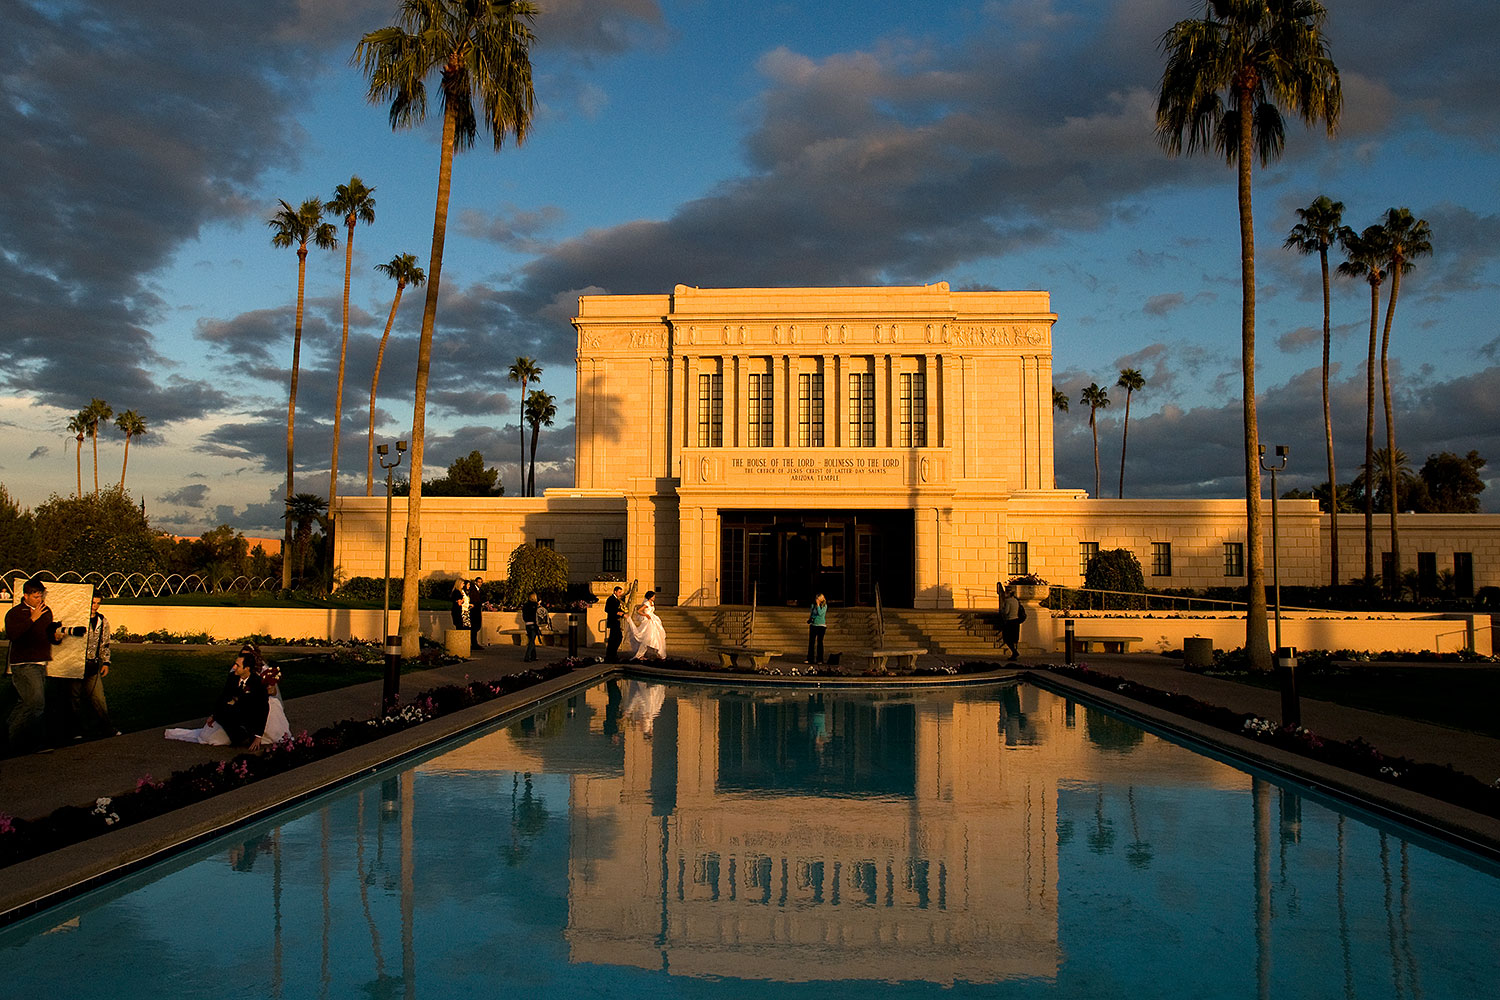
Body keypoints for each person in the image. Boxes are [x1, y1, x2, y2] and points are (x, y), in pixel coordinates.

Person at [165, 650, 270, 747]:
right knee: (221, 711)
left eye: (237, 665)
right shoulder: (233, 677)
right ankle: (238, 736)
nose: (233, 667)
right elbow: (224, 695)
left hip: (250, 716)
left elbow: (264, 709)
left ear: (247, 668)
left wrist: (258, 736)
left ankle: (245, 734)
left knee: (231, 712)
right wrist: (214, 715)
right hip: (235, 712)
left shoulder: (258, 683)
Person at [5, 579, 64, 752]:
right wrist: (32, 618)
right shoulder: (16, 613)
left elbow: (48, 635)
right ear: (26, 595)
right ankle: (32, 742)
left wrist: (56, 637)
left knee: (27, 702)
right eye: (35, 596)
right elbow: (13, 634)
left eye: (41, 596)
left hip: (40, 663)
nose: (39, 600)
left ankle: (10, 731)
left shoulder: (46, 611)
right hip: (24, 663)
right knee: (37, 703)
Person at [77, 591, 119, 739]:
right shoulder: (78, 618)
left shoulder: (102, 621)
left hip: (92, 665)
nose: (95, 606)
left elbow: (104, 643)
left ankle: (106, 727)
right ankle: (76, 730)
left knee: (98, 698)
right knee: (74, 698)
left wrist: (106, 661)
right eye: (92, 603)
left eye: (97, 603)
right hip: (76, 664)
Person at [244, 643, 290, 744]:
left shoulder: (264, 669)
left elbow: (273, 692)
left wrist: (268, 688)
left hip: (261, 698)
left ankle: (266, 734)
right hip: (245, 698)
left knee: (272, 704)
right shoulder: (238, 668)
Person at [623, 590, 667, 661]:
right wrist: (646, 615)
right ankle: (640, 654)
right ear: (650, 596)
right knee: (647, 638)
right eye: (653, 596)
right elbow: (639, 611)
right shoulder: (646, 603)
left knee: (657, 637)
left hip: (653, 619)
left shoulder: (652, 602)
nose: (654, 597)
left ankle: (658, 653)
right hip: (648, 621)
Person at [1000, 586, 1022, 661]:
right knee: (1014, 638)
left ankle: (1014, 652)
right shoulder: (1016, 600)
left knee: (1007, 638)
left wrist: (1002, 610)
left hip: (1010, 621)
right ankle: (1014, 653)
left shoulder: (1008, 601)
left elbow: (1006, 612)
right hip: (1016, 620)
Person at [603, 585, 624, 663]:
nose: (620, 594)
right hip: (613, 621)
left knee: (616, 638)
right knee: (615, 638)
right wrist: (617, 612)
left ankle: (612, 654)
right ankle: (611, 655)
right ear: (615, 591)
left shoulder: (617, 600)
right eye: (619, 592)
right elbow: (607, 609)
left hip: (616, 621)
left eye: (620, 592)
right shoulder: (610, 599)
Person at [805, 593, 828, 665]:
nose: (816, 600)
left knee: (819, 642)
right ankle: (810, 658)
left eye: (818, 599)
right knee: (811, 642)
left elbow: (820, 613)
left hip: (821, 626)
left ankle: (820, 659)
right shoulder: (813, 605)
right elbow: (812, 614)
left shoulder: (824, 606)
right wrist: (810, 619)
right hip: (813, 625)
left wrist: (818, 605)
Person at [521, 591, 544, 662]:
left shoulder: (525, 605)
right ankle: (527, 656)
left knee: (532, 640)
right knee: (531, 641)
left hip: (527, 624)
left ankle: (534, 656)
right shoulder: (535, 605)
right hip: (533, 624)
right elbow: (538, 614)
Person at [466, 577, 486, 649]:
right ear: (475, 582)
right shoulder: (473, 590)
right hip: (474, 611)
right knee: (474, 627)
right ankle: (473, 643)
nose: (480, 584)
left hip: (477, 610)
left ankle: (474, 643)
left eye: (481, 582)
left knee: (476, 627)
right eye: (478, 582)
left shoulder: (479, 590)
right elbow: (474, 600)